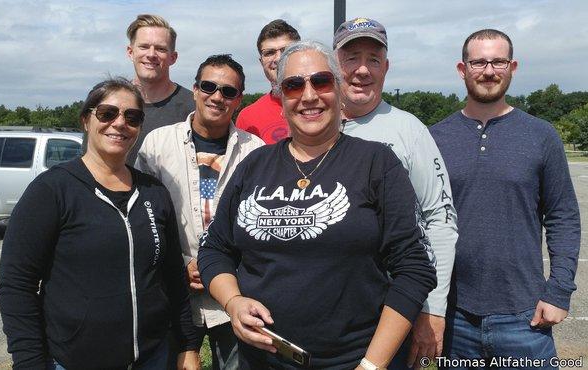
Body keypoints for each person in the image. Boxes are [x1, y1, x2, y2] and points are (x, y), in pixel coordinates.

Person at [198, 40, 437, 369]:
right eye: (294, 85)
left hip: (354, 360)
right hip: (263, 360)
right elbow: (215, 249)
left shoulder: (376, 163)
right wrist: (233, 301)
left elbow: (415, 268)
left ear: (339, 90)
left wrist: (373, 363)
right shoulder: (255, 166)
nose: (309, 95)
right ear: (281, 98)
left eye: (321, 81)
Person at [0, 77, 200, 370]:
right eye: (107, 113)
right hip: (75, 361)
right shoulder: (52, 190)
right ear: (86, 120)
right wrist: (30, 362)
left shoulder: (153, 192)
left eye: (132, 117)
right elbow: (17, 286)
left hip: (153, 358)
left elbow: (172, 278)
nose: (120, 123)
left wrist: (188, 345)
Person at [430, 29, 581, 367]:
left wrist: (558, 291)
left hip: (525, 316)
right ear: (462, 68)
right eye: (479, 62)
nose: (488, 70)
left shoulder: (541, 135)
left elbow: (563, 217)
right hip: (453, 314)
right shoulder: (435, 137)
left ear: (512, 67)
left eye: (498, 61)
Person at [333, 17, 458, 368]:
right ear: (333, 63)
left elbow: (440, 219)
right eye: (351, 57)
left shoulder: (409, 131)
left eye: (374, 59)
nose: (362, 70)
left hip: (396, 309)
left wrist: (432, 308)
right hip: (332, 316)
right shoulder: (314, 128)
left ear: (386, 68)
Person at [136, 54, 264, 369]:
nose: (217, 96)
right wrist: (180, 264)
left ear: (239, 100)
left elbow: (261, 226)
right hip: (172, 290)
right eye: (209, 86)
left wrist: (217, 267)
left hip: (232, 292)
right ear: (195, 89)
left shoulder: (256, 152)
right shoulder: (157, 144)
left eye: (228, 91)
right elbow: (142, 217)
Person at [125, 14, 195, 165]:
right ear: (130, 52)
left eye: (160, 49)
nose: (151, 54)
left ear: (173, 58)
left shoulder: (193, 108)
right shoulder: (108, 103)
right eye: (144, 46)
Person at [235, 19, 300, 144]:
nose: (278, 58)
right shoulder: (248, 118)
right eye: (269, 53)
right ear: (261, 62)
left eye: (285, 50)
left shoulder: (321, 104)